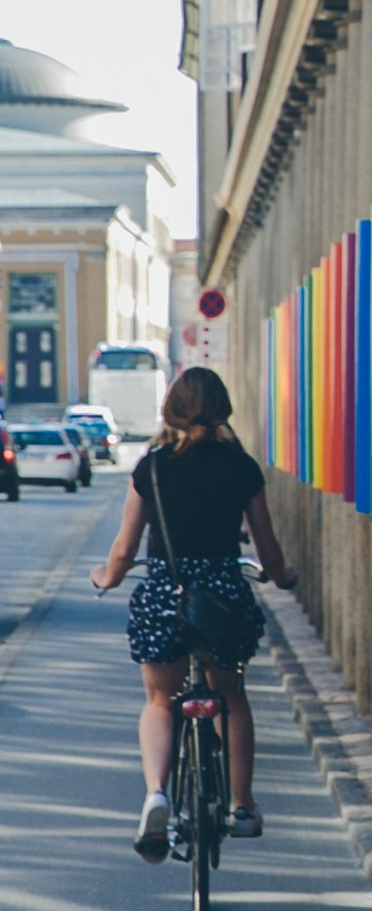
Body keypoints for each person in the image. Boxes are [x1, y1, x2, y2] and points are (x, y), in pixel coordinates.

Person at [91, 367, 296, 860]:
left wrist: (107, 577)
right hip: (224, 594)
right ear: (222, 408)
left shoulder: (152, 467)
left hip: (166, 593)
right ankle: (242, 805)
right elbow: (267, 549)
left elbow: (125, 548)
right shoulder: (241, 467)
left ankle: (157, 793)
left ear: (170, 410)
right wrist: (283, 576)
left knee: (160, 699)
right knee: (230, 695)